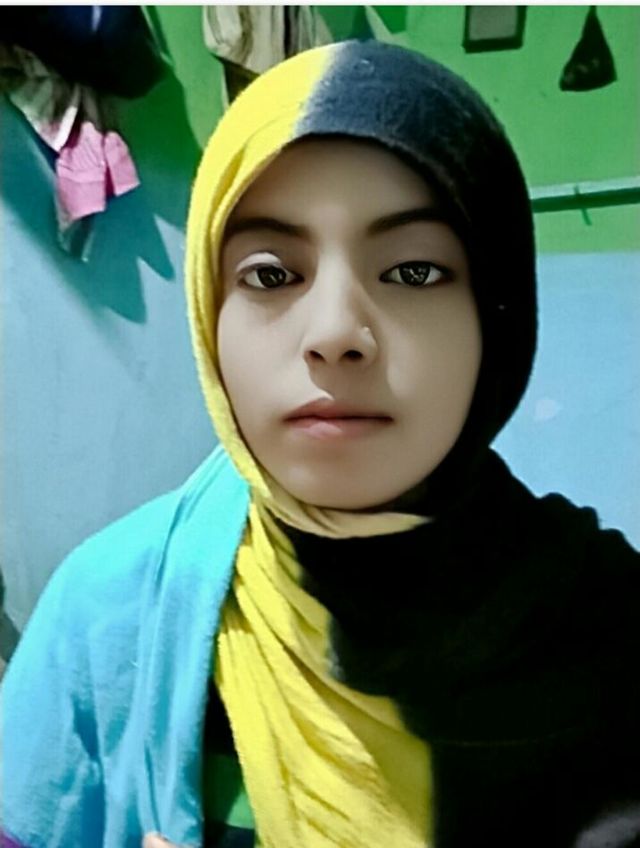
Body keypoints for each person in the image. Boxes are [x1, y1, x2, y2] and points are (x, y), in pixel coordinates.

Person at [2, 39, 639, 848]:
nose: (335, 333)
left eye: (413, 271)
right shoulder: (107, 618)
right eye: (270, 274)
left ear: (498, 318)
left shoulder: (612, 629)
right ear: (208, 314)